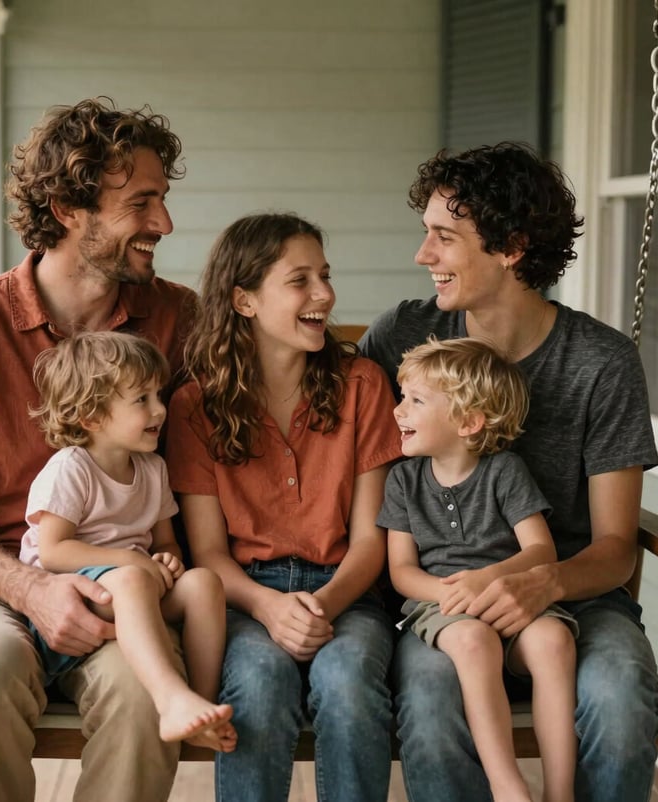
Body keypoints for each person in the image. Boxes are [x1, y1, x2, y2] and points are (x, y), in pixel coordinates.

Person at [0, 97, 198, 802]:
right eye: (142, 203)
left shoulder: (177, 318)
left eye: (163, 200)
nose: (164, 224)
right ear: (67, 206)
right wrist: (33, 590)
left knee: (140, 690)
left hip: (124, 583)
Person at [360, 141, 658, 802]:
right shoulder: (401, 339)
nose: (423, 256)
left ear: (512, 247)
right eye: (425, 235)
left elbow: (613, 548)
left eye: (444, 238)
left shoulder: (599, 362)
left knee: (620, 691)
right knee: (433, 703)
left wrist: (542, 582)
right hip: (443, 597)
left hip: (575, 590)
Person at [165, 212, 400, 802]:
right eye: (300, 281)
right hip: (245, 597)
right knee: (259, 683)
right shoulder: (195, 407)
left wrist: (318, 608)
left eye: (325, 275)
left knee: (348, 682)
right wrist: (271, 608)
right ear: (243, 299)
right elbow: (210, 555)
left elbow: (372, 542)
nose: (325, 293)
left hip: (347, 592)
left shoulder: (363, 385)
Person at [379, 336, 578, 802]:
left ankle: (560, 792)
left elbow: (540, 551)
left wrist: (488, 581)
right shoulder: (403, 481)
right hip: (443, 607)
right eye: (401, 396)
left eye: (415, 401)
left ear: (468, 422)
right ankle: (507, 785)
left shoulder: (504, 472)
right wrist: (452, 593)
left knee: (554, 641)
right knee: (472, 640)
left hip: (511, 597)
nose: (398, 410)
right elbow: (402, 571)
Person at [19, 330, 236, 752]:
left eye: (159, 394)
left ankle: (200, 705)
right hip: (72, 606)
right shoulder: (71, 468)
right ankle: (170, 698)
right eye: (142, 400)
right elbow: (54, 551)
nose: (159, 409)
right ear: (91, 416)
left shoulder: (152, 470)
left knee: (204, 582)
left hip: (132, 594)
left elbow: (166, 544)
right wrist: (130, 562)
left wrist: (169, 561)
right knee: (132, 581)